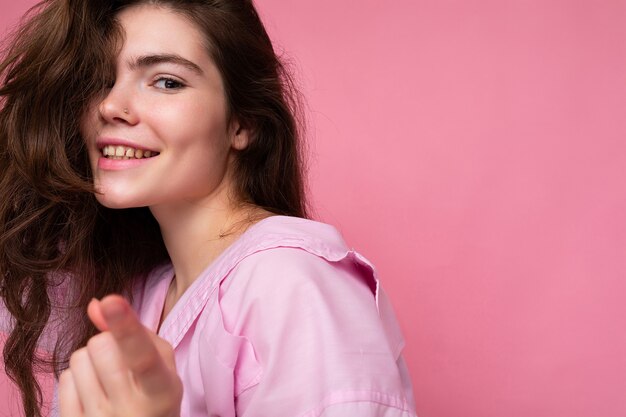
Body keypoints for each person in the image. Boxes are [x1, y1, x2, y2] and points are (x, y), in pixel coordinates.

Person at [0, 1, 417, 416]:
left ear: (242, 123)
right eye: (102, 80)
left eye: (166, 82)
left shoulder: (291, 285)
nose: (110, 105)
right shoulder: (138, 288)